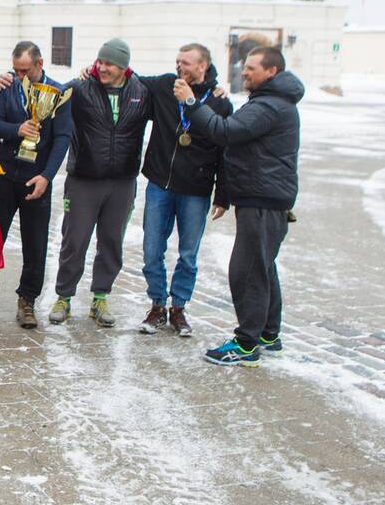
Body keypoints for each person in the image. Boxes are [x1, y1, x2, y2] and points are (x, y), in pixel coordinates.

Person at [175, 46, 303, 366]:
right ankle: (268, 335)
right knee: (262, 267)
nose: (243, 72)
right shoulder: (268, 102)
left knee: (246, 271)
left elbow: (225, 132)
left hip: (262, 199)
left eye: (250, 68)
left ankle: (247, 344)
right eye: (244, 67)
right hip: (263, 197)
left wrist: (191, 103)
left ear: (270, 72)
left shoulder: (270, 106)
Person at [49, 39, 152, 328]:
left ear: (124, 67)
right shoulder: (82, 88)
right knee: (75, 240)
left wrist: (214, 92)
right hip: (84, 178)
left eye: (110, 64)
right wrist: (74, 79)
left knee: (111, 242)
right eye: (100, 62)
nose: (103, 68)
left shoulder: (141, 91)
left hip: (122, 181)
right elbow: (49, 99)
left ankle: (100, 297)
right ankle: (64, 297)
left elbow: (170, 105)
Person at [136, 44, 232, 337]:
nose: (180, 67)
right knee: (152, 250)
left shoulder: (219, 103)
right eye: (178, 61)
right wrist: (96, 70)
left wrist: (223, 195)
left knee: (188, 253)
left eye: (187, 63)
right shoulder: (165, 85)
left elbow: (225, 150)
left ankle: (178, 308)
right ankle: (156, 305)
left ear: (203, 66)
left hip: (196, 189)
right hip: (160, 185)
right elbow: (130, 79)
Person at [0, 42, 71, 328]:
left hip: (36, 180)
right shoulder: (9, 88)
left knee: (35, 245)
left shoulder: (59, 94)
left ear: (39, 63)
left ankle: (27, 301)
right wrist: (16, 130)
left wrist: (47, 176)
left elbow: (62, 138)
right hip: (5, 177)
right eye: (16, 70)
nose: (20, 76)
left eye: (25, 70)